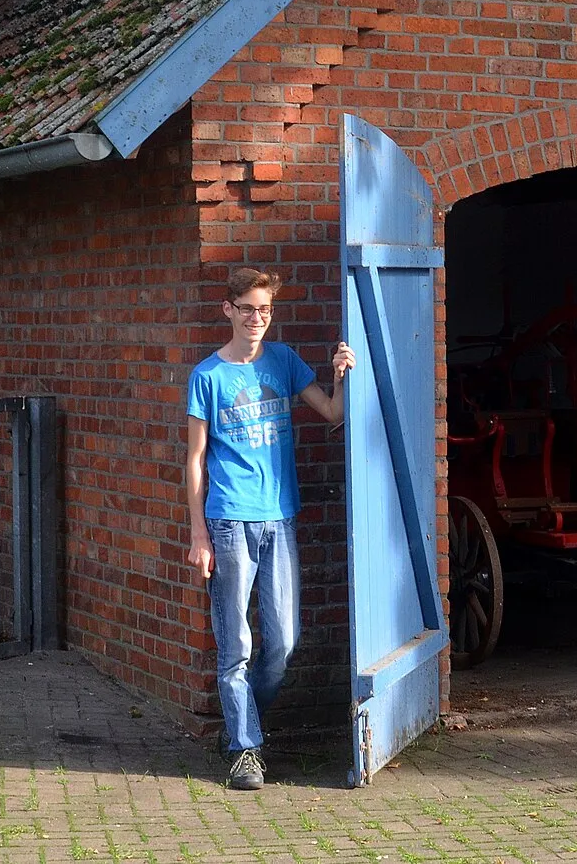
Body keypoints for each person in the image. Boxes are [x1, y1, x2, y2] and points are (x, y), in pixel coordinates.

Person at [185, 265, 354, 791]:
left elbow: (331, 413)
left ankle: (242, 725)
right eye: (248, 308)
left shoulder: (283, 362)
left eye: (265, 310)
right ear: (228, 310)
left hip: (279, 519)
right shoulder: (207, 376)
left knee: (281, 645)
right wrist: (198, 535)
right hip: (229, 519)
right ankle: (245, 751)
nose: (257, 318)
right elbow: (194, 460)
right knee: (236, 644)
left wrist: (342, 375)